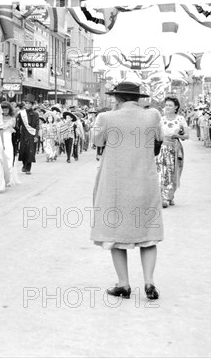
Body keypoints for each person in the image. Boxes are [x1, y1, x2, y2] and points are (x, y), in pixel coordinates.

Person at [91, 81, 164, 301]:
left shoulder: (107, 118)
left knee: (115, 236)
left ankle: (123, 284)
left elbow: (96, 140)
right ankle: (149, 282)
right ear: (137, 98)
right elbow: (159, 139)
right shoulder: (152, 116)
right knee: (148, 235)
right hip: (145, 183)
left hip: (116, 185)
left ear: (118, 98)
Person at [157, 97, 189, 208]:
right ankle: (164, 197)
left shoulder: (180, 119)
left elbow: (186, 136)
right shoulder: (160, 119)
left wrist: (177, 136)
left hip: (175, 149)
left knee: (174, 172)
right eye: (166, 105)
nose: (167, 107)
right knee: (162, 173)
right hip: (162, 148)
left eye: (170, 105)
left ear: (176, 107)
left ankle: (170, 196)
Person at [16, 100, 40, 174]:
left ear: (32, 105)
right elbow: (18, 125)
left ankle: (28, 168)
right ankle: (24, 165)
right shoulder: (21, 114)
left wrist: (36, 136)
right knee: (23, 151)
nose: (28, 105)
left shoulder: (36, 114)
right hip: (23, 134)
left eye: (29, 103)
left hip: (32, 135)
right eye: (26, 103)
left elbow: (37, 126)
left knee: (30, 151)